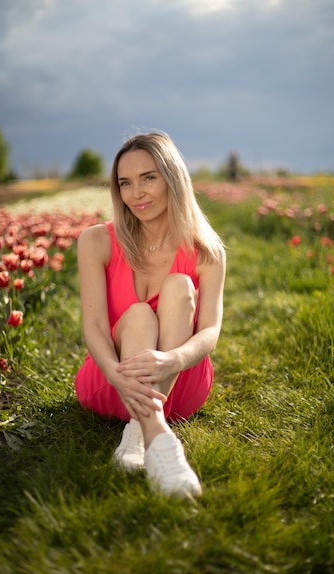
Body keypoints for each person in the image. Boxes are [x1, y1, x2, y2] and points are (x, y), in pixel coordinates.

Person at [75, 131, 226, 498]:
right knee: (139, 314)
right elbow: (95, 327)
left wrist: (171, 359)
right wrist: (116, 374)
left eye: (148, 178)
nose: (136, 193)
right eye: (125, 183)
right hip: (114, 377)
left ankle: (138, 430)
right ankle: (157, 436)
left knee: (179, 286)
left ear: (172, 178)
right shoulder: (95, 241)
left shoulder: (206, 251)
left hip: (180, 377)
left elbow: (209, 331)